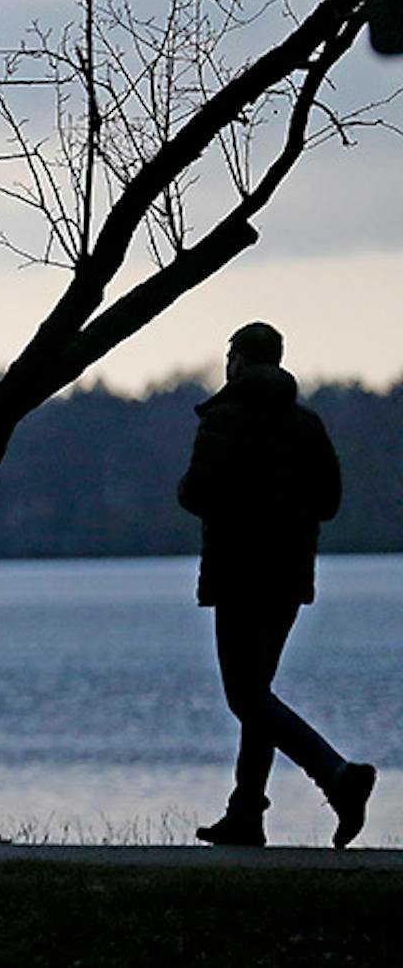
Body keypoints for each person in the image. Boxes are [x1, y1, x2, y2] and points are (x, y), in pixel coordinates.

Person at [177, 322, 374, 849]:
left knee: (245, 696)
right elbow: (329, 502)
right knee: (257, 696)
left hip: (239, 575)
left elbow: (196, 493)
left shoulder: (222, 420)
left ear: (238, 360)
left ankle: (337, 775)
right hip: (288, 578)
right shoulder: (306, 425)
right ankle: (245, 814)